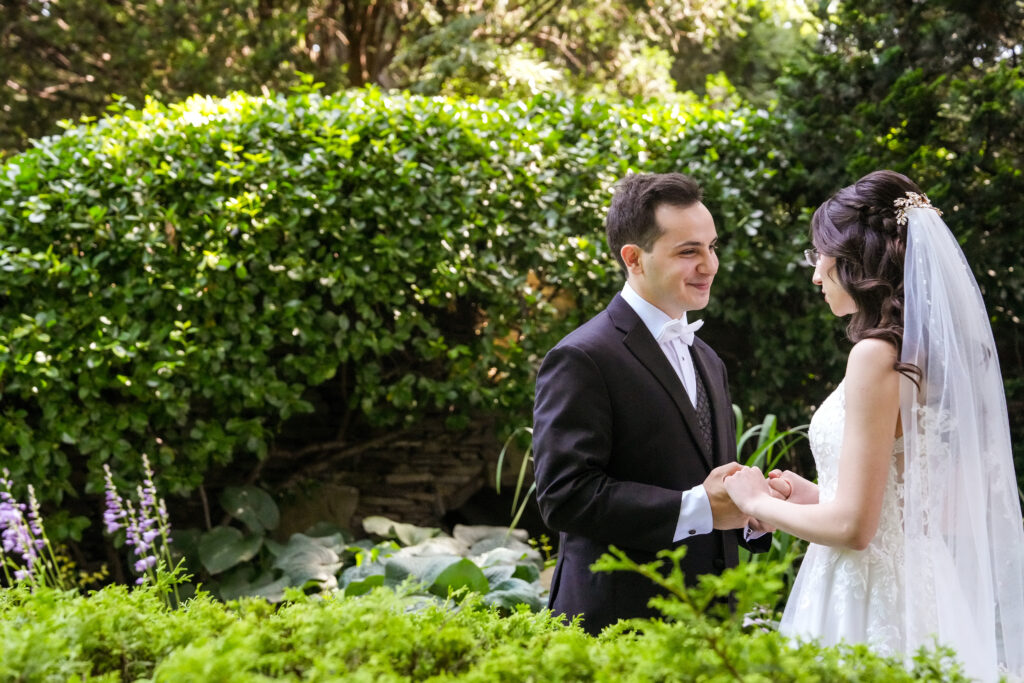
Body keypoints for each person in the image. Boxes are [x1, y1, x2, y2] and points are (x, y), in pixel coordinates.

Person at [723, 170, 1024, 681]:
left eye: (822, 256)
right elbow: (888, 511)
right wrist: (813, 495)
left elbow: (855, 530)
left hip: (864, 596)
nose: (817, 275)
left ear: (856, 261)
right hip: (919, 585)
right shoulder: (914, 355)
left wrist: (757, 502)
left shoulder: (874, 356)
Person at [532, 172, 772, 636]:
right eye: (689, 251)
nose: (710, 265)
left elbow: (705, 486)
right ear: (634, 258)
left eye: (712, 246)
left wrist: (749, 512)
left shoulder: (708, 359)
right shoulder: (582, 357)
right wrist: (700, 506)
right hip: (617, 627)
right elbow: (565, 497)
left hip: (709, 627)